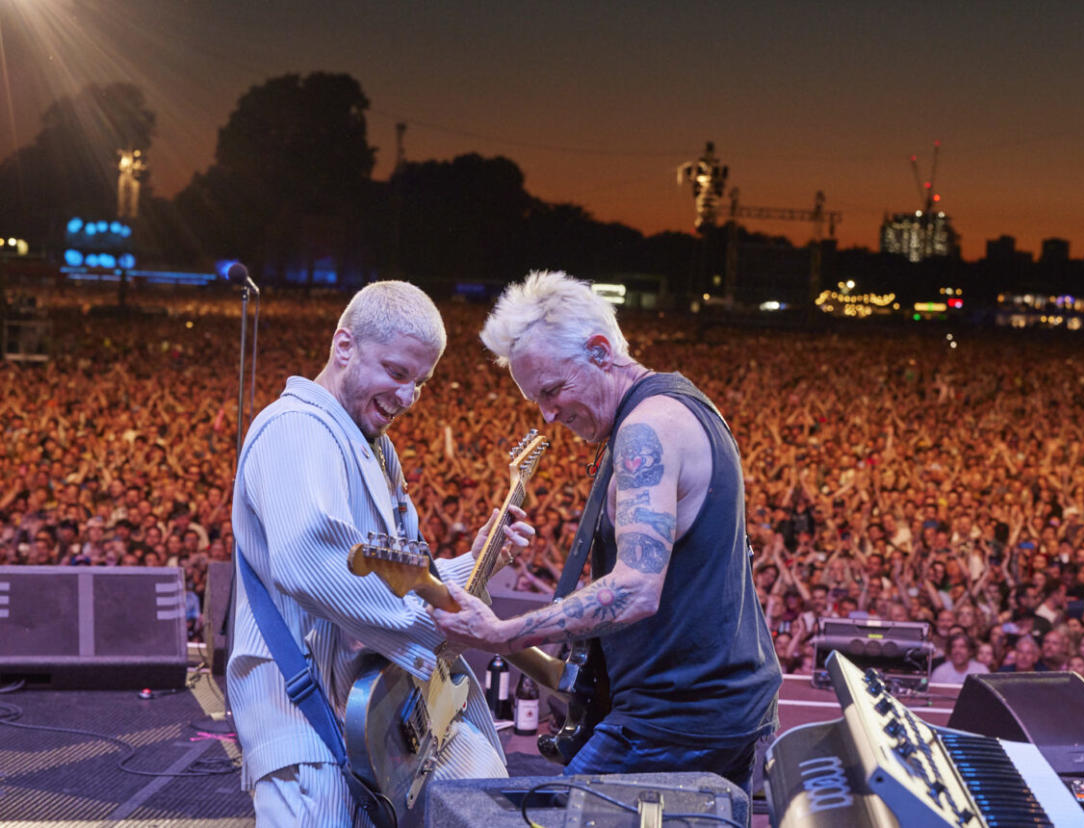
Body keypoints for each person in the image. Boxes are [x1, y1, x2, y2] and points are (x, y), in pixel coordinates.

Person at [432, 270, 781, 796]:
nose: (548, 415)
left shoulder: (648, 428)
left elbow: (637, 589)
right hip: (717, 706)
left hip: (677, 717)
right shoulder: (676, 405)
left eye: (552, 390)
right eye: (536, 400)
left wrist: (503, 634)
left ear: (600, 351)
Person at [227, 281, 533, 826]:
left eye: (420, 381)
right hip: (305, 720)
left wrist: (477, 561)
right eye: (396, 373)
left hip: (370, 715)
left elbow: (402, 580)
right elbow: (311, 562)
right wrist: (438, 625)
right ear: (343, 346)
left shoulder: (372, 447)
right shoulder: (297, 429)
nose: (409, 395)